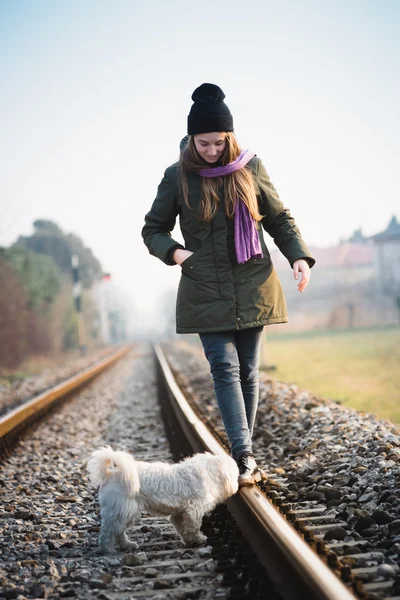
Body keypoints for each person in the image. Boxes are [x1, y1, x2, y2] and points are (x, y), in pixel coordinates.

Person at [142, 83, 315, 486]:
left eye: (218, 143)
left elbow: (278, 218)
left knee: (249, 372)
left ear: (229, 136)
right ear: (192, 139)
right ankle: (245, 456)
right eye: (203, 143)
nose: (211, 150)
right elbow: (153, 229)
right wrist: (178, 254)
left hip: (253, 281)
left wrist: (299, 257)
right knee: (224, 367)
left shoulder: (251, 168)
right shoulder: (178, 176)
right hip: (205, 287)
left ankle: (243, 453)